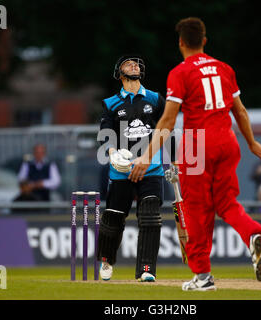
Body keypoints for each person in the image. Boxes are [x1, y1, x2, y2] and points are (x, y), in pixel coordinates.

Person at [130, 17, 261, 291]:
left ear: (181, 42)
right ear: (204, 41)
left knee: (196, 210)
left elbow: (168, 121)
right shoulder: (225, 69)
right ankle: (253, 233)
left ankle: (203, 276)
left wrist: (146, 156)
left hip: (197, 144)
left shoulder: (180, 73)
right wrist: (252, 143)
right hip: (228, 141)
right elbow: (240, 110)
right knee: (227, 203)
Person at [97, 55, 167, 282]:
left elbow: (167, 129)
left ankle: (147, 269)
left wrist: (174, 161)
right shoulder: (110, 103)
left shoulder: (156, 99)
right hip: (122, 168)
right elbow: (105, 133)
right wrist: (112, 154)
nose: (134, 66)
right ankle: (106, 261)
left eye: (136, 64)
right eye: (128, 64)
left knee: (149, 216)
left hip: (151, 166)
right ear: (119, 74)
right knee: (114, 218)